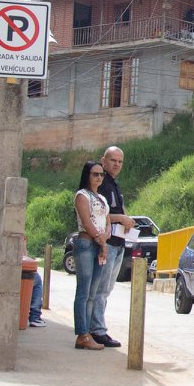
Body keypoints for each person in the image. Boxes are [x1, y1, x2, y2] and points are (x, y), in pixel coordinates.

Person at [87, 145, 127, 348]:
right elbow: (99, 213)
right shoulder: (101, 183)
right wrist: (122, 218)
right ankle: (97, 330)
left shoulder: (114, 184)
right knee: (100, 289)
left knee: (106, 289)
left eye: (120, 161)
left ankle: (96, 327)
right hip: (106, 243)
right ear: (103, 160)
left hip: (118, 242)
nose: (117, 164)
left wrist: (125, 220)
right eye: (113, 160)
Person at [71, 161, 110, 350]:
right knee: (83, 291)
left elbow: (108, 222)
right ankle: (83, 333)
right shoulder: (82, 195)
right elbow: (86, 222)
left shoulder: (101, 198)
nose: (99, 177)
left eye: (101, 174)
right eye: (95, 174)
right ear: (87, 175)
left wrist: (105, 238)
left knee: (93, 293)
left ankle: (86, 334)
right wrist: (100, 240)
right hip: (86, 244)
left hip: (99, 246)